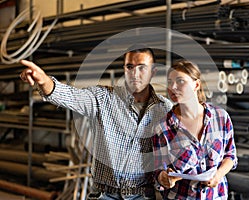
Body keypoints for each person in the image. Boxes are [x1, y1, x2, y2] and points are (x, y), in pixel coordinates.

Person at [19, 44, 173, 200]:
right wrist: (44, 81)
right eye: (129, 67)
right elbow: (70, 96)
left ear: (153, 72)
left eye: (142, 68)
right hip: (104, 195)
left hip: (142, 196)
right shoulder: (103, 98)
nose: (135, 74)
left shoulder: (165, 109)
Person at [152, 60, 238, 199]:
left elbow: (230, 155)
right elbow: (157, 171)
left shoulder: (220, 117)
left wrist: (218, 175)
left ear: (196, 85)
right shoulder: (163, 128)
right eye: (169, 82)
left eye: (180, 81)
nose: (173, 87)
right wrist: (164, 178)